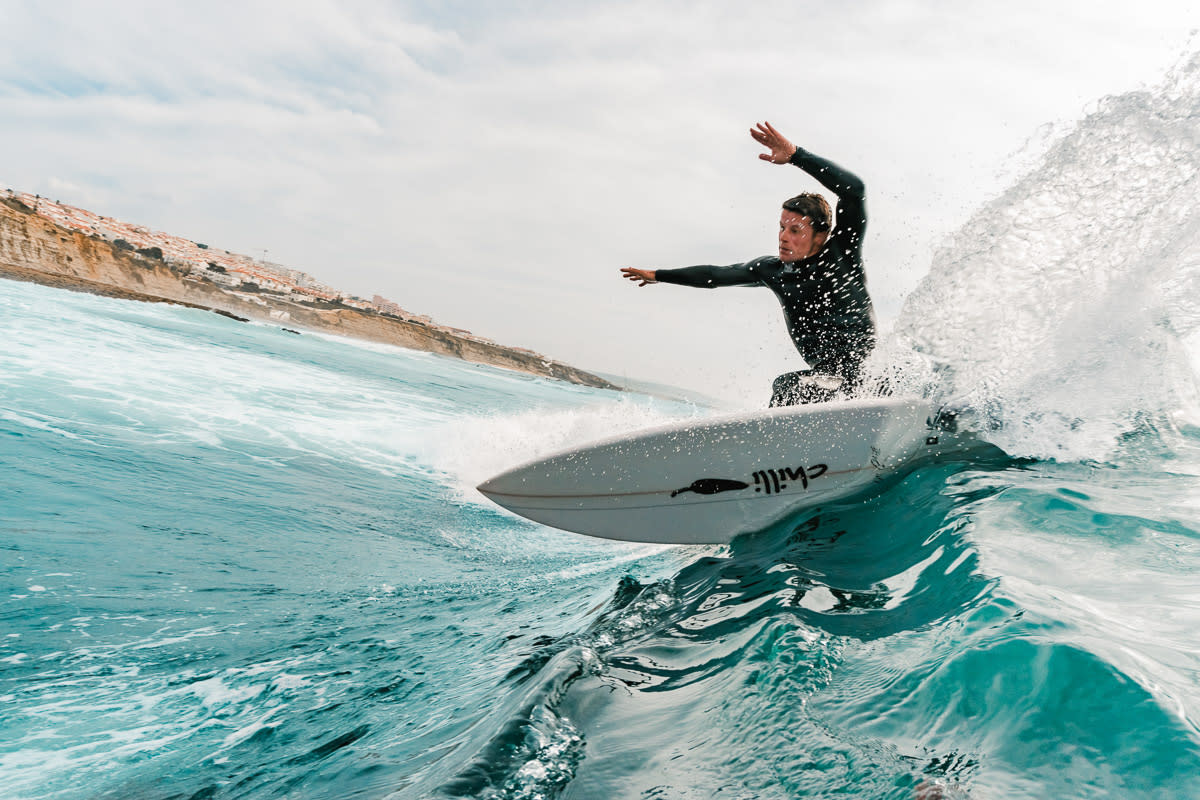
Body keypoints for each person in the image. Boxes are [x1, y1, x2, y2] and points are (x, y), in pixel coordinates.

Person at [620, 121, 876, 406]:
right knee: (793, 386)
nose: (783, 238)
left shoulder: (841, 254)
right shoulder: (773, 271)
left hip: (868, 378)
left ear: (820, 236)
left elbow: (854, 191)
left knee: (789, 387)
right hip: (826, 382)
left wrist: (796, 155)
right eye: (781, 228)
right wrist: (658, 275)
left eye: (795, 231)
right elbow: (715, 275)